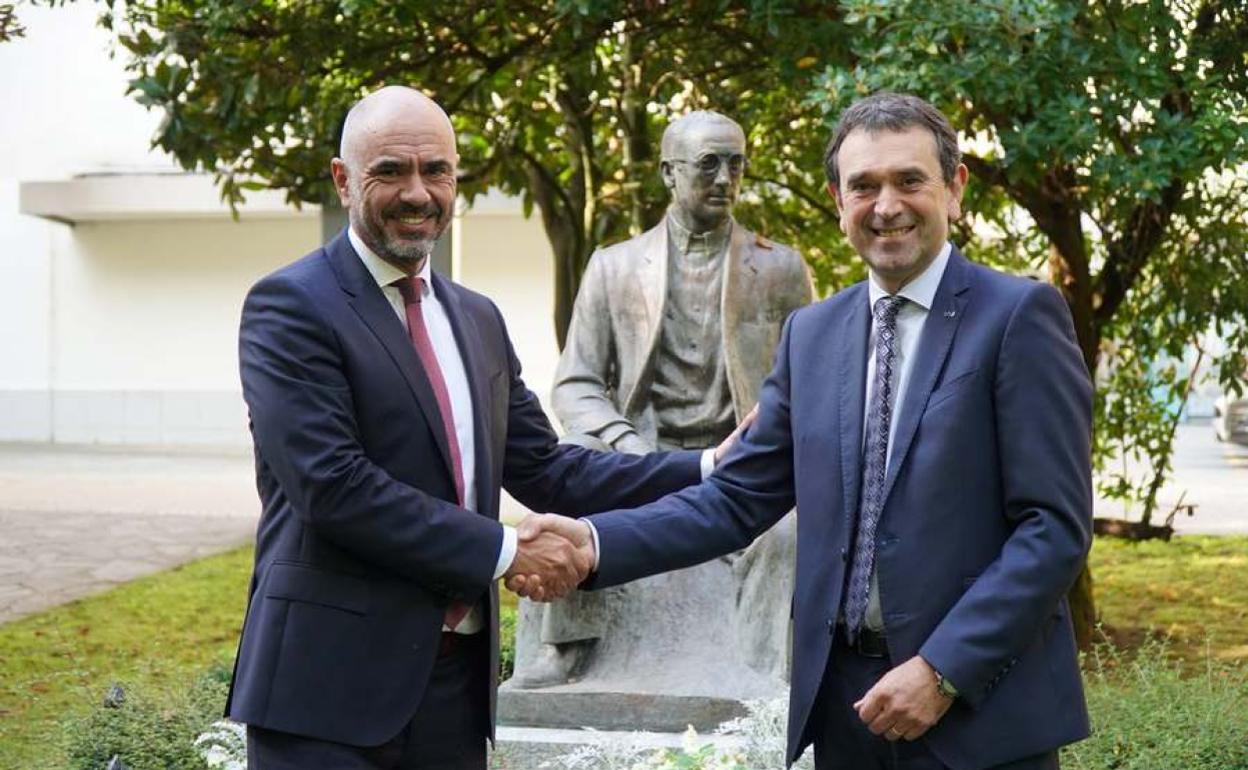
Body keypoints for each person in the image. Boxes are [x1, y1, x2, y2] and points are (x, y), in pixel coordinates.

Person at [516, 92, 1094, 769]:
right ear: (837, 198)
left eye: (910, 180)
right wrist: (591, 544)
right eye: (864, 186)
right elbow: (734, 499)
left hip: (980, 716)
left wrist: (942, 670)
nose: (887, 205)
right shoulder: (813, 335)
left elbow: (1052, 528)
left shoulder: (1019, 316)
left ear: (954, 188)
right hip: (846, 711)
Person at [226, 85, 738, 770]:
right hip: (326, 693)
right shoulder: (290, 306)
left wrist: (708, 465)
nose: (418, 192)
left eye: (436, 170)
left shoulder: (477, 319)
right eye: (391, 171)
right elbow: (334, 488)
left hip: (455, 692)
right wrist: (507, 551)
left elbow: (548, 468)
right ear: (343, 181)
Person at [516, 111, 812, 688]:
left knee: (796, 515)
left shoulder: (780, 268)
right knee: (572, 471)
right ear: (668, 174)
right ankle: (566, 650)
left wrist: (757, 447)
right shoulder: (613, 266)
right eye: (708, 165)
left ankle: (764, 671)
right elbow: (575, 383)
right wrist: (624, 443)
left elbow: (806, 385)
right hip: (640, 451)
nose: (725, 178)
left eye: (736, 163)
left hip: (740, 461)